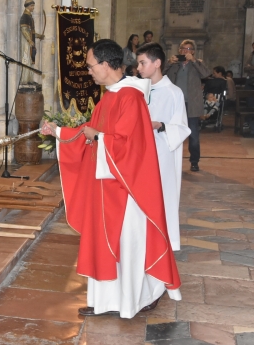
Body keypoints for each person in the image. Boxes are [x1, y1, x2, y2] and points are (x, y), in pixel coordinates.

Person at [41, 39, 181, 318]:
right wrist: (59, 132)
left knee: (128, 244)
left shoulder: (130, 97)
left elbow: (130, 146)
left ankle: (136, 299)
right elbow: (90, 132)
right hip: (106, 186)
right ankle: (105, 301)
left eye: (91, 66)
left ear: (106, 65)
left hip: (127, 189)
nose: (89, 72)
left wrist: (100, 137)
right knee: (106, 243)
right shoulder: (110, 96)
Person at [137, 43, 190, 251]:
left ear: (157, 63)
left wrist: (161, 125)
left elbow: (182, 127)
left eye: (142, 63)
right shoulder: (137, 91)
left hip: (162, 154)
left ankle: (161, 245)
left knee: (161, 199)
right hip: (139, 154)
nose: (139, 68)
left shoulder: (173, 92)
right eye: (138, 63)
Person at [163, 39, 210, 172]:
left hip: (191, 104)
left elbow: (206, 74)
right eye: (183, 49)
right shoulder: (174, 64)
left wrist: (194, 61)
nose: (185, 51)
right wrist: (168, 64)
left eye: (188, 49)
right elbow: (160, 76)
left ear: (193, 52)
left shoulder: (197, 64)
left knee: (193, 134)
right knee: (171, 133)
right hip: (175, 104)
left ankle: (194, 161)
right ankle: (170, 161)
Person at [19, 0, 44, 84]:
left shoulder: (29, 16)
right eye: (32, 6)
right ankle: (25, 81)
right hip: (26, 42)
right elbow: (24, 30)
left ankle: (29, 79)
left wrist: (39, 36)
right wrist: (29, 40)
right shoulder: (25, 17)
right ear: (28, 6)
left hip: (30, 41)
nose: (33, 7)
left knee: (30, 59)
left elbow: (31, 32)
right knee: (26, 59)